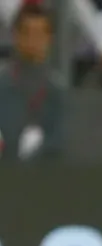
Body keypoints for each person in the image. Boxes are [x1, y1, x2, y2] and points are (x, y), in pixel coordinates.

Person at [0, 4, 64, 162]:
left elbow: (62, 140)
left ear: (50, 38)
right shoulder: (2, 83)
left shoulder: (58, 91)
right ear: (15, 36)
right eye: (27, 33)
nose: (33, 40)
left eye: (39, 34)